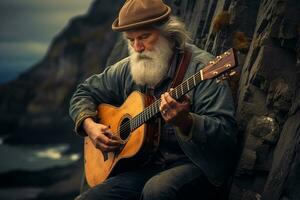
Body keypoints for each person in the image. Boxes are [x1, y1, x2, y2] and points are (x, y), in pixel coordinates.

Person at [69, 0, 238, 199]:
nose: (137, 47)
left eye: (144, 36)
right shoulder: (127, 69)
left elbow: (227, 136)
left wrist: (187, 122)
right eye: (130, 40)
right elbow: (83, 92)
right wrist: (90, 126)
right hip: (143, 166)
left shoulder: (202, 68)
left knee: (156, 191)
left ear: (167, 32)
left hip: (195, 164)